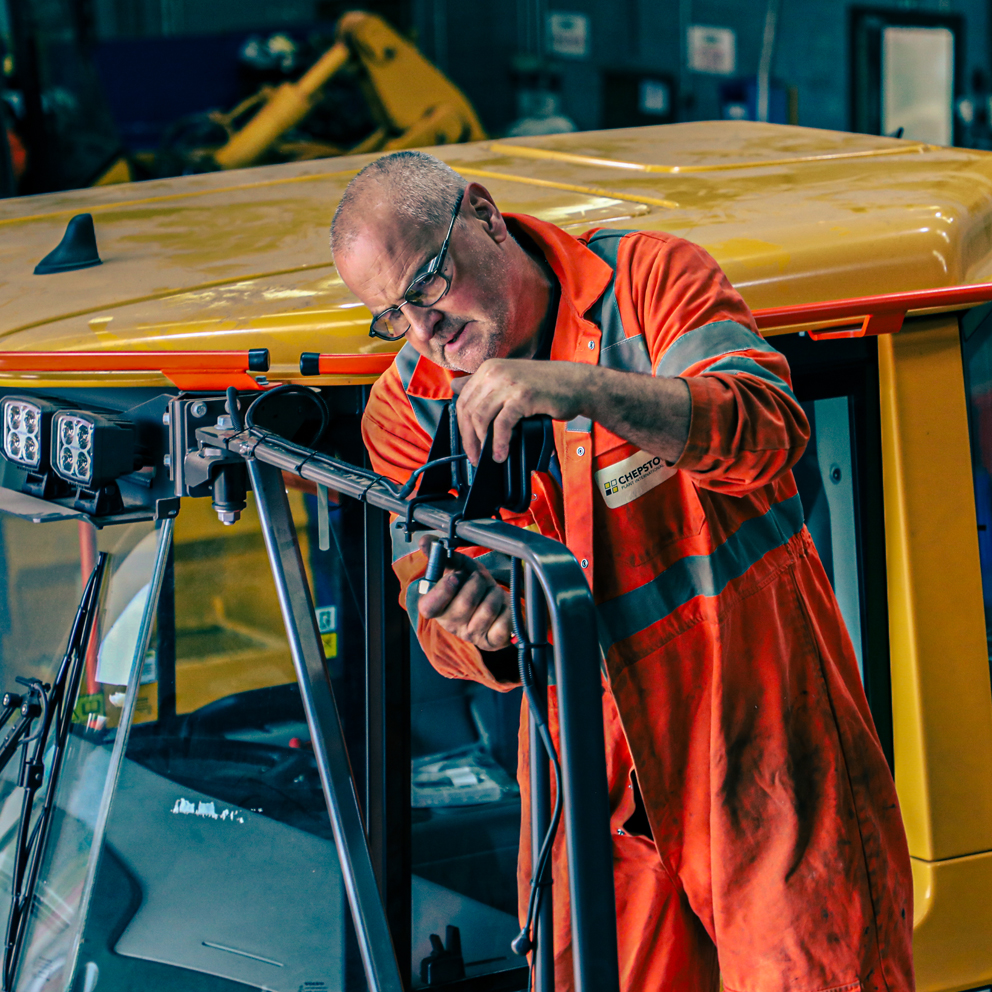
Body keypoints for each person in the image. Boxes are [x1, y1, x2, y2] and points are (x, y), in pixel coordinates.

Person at [330, 149, 914, 992]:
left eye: (427, 283)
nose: (422, 330)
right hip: (591, 798)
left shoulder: (649, 282)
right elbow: (429, 610)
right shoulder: (407, 409)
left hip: (764, 752)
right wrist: (481, 629)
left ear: (485, 215)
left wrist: (580, 389)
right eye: (390, 316)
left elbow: (768, 430)